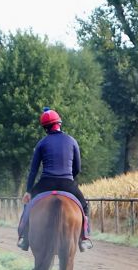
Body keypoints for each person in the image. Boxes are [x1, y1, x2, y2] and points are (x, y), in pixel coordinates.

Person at [17, 107, 93, 252]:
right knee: (84, 206)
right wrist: (70, 179)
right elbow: (77, 168)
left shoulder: (41, 143)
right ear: (59, 123)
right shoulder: (72, 141)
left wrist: (28, 191)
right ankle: (84, 238)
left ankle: (24, 238)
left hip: (46, 182)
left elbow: (33, 171)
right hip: (67, 183)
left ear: (45, 127)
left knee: (28, 205)